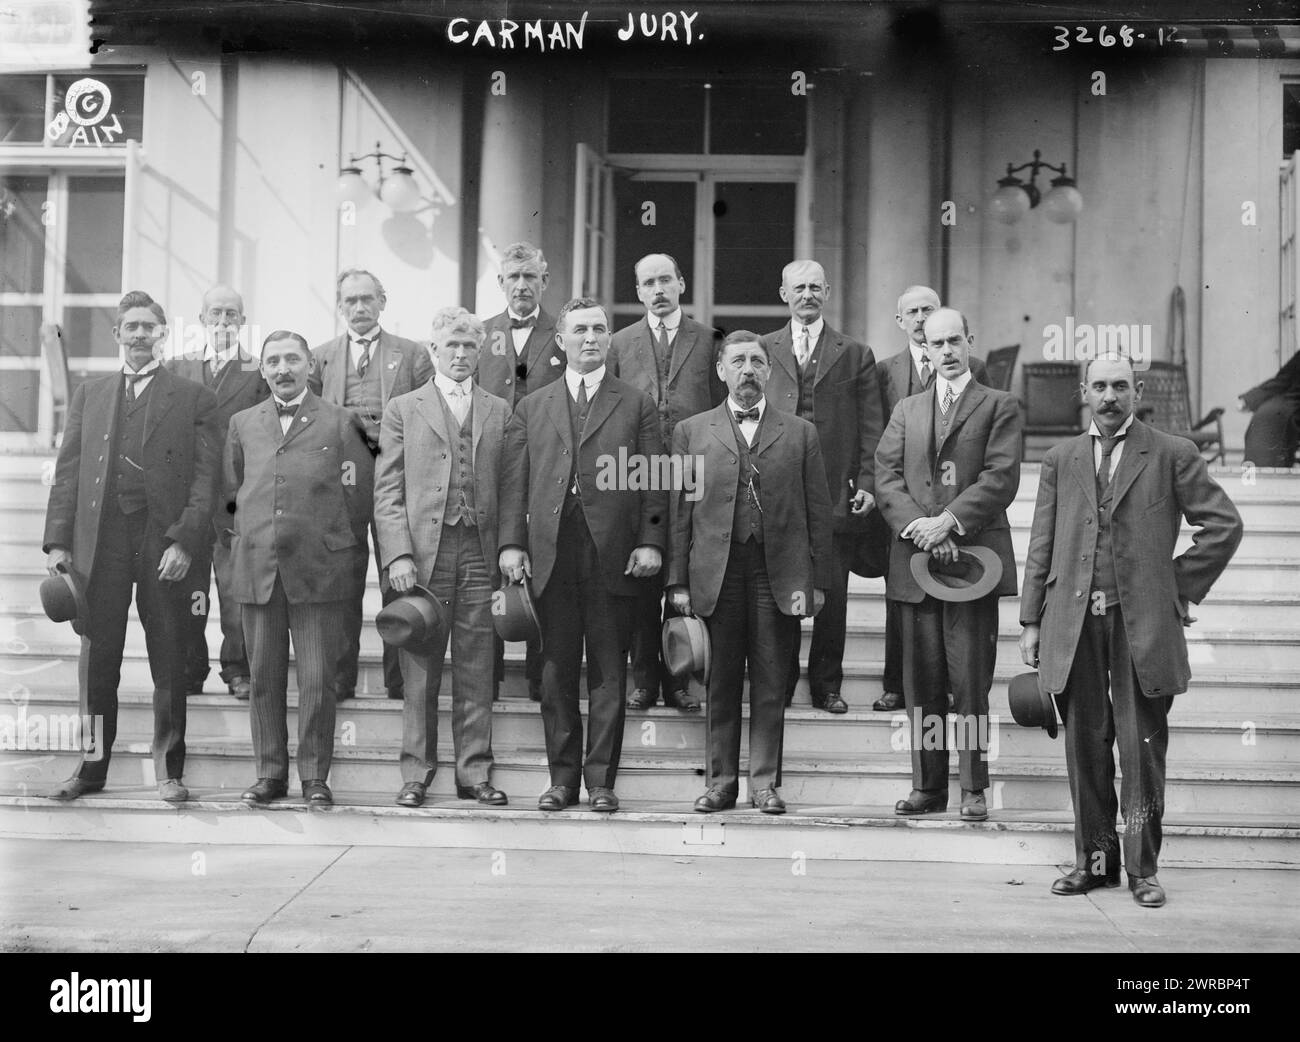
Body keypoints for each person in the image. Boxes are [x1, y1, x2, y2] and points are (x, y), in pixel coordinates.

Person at [1020, 354, 1242, 908]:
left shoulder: (1172, 453)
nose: (1110, 396)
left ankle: (1144, 871)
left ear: (1138, 391)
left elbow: (1223, 525)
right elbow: (1041, 545)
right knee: (1085, 748)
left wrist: (1179, 587)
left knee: (1141, 749)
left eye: (1121, 386)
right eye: (1100, 386)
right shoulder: (1061, 458)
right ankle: (1095, 864)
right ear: (1084, 392)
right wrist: (1029, 621)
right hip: (1073, 623)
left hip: (1141, 625)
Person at [42, 291, 220, 802]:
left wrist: (185, 541)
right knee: (98, 661)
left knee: (169, 655)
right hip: (102, 544)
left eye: (149, 326)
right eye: (131, 327)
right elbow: (69, 471)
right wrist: (58, 543)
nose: (140, 335)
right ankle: (90, 769)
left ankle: (169, 771)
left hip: (162, 540)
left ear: (163, 333)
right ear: (118, 334)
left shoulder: (192, 398)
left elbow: (206, 481)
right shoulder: (91, 395)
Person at [499, 297, 667, 814]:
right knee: (556, 670)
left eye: (599, 329)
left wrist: (650, 540)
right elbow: (514, 481)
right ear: (562, 340)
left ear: (609, 338)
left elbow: (655, 480)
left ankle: (601, 782)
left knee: (609, 672)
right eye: (580, 330)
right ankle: (562, 780)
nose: (590, 338)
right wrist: (511, 543)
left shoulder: (635, 403)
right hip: (552, 552)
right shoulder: (533, 405)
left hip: (613, 553)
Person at [668, 331, 833, 815]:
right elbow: (679, 511)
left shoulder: (800, 433)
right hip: (715, 572)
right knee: (719, 679)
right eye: (737, 361)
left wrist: (817, 581)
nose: (747, 370)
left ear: (769, 371)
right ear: (720, 370)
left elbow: (818, 512)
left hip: (776, 574)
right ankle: (721, 782)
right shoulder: (691, 432)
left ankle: (764, 783)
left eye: (757, 362)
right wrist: (676, 580)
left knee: (770, 677)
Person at [874, 307, 1022, 821]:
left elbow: (1001, 477)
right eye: (937, 344)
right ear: (926, 349)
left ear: (969, 341)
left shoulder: (1000, 404)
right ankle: (928, 787)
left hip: (972, 562)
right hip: (915, 562)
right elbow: (886, 476)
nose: (948, 352)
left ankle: (974, 787)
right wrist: (922, 527)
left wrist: (950, 522)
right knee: (922, 684)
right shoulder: (906, 409)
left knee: (971, 682)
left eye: (955, 341)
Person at [226, 331, 374, 806]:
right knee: (264, 678)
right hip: (259, 570)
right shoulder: (243, 422)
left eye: (293, 358)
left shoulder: (340, 421)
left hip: (319, 572)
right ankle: (269, 775)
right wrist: (245, 542)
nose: (283, 368)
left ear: (311, 364)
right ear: (263, 369)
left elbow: (359, 496)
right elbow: (229, 496)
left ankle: (314, 777)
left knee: (316, 680)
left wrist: (338, 551)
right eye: (273, 361)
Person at [375, 307, 511, 808]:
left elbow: (512, 484)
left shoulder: (498, 409)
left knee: (477, 664)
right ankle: (416, 773)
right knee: (420, 667)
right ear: (432, 351)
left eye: (468, 346)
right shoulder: (404, 408)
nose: (459, 354)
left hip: (479, 550)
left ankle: (474, 772)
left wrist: (507, 548)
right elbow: (387, 489)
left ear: (480, 352)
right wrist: (398, 555)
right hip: (424, 554)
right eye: (450, 346)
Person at [760, 260, 882, 715]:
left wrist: (868, 482)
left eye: (815, 287)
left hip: (835, 490)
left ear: (827, 292)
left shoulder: (854, 353)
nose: (807, 295)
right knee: (781, 589)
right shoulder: (763, 348)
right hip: (777, 491)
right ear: (783, 294)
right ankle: (782, 680)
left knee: (832, 593)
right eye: (799, 288)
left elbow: (873, 427)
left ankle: (827, 684)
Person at [608, 252, 724, 713]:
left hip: (695, 471)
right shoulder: (619, 343)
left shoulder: (710, 339)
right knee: (643, 578)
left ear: (681, 283)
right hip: (636, 473)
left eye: (665, 281)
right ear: (637, 291)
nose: (658, 290)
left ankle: (681, 679)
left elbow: (720, 407)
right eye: (648, 283)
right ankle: (644, 679)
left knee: (687, 575)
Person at [312, 268, 433, 702]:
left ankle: (399, 678)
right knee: (341, 577)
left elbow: (427, 417)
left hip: (395, 478)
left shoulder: (413, 354)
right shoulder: (321, 357)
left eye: (368, 299)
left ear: (383, 302)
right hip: (339, 480)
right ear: (340, 306)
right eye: (351, 301)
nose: (359, 308)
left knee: (398, 572)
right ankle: (341, 676)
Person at [871, 285, 990, 712]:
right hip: (907, 515)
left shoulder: (980, 379)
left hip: (960, 523)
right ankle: (896, 683)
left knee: (957, 622)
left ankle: (955, 689)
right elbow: (881, 450)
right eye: (913, 313)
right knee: (903, 603)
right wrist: (919, 523)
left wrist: (948, 521)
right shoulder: (887, 372)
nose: (922, 319)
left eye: (930, 310)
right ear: (900, 321)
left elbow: (987, 457)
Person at [166, 285, 268, 700]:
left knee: (234, 590)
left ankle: (237, 668)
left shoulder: (258, 370)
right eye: (215, 314)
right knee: (191, 587)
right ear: (203, 320)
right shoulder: (178, 368)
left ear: (242, 322)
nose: (223, 322)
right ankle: (191, 667)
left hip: (235, 496)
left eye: (231, 315)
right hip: (190, 497)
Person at [476, 241, 564, 702]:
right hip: (489, 466)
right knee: (491, 564)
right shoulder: (481, 332)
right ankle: (486, 677)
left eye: (531, 277)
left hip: (546, 466)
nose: (523, 285)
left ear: (544, 282)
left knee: (542, 568)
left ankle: (538, 677)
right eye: (514, 277)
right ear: (502, 283)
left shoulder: (562, 333)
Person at [1239, 352, 1300, 467]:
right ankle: (1258, 475)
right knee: (1266, 414)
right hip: (1293, 401)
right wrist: (1250, 399)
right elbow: (1282, 380)